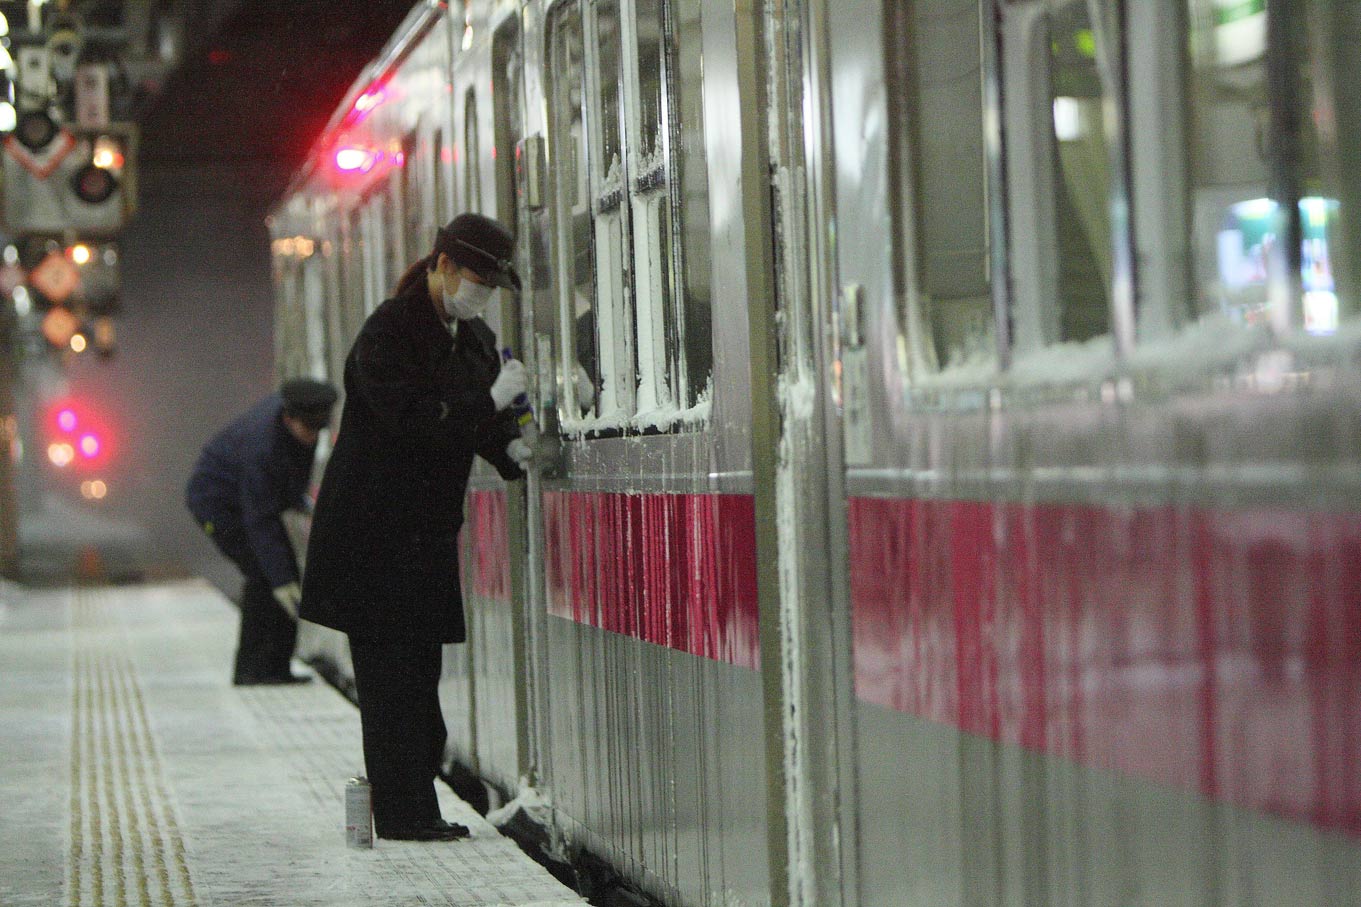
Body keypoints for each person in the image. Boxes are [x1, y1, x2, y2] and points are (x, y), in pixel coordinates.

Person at [299, 213, 531, 842]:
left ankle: (417, 808)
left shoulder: (473, 337)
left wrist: (512, 451)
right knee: (391, 686)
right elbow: (413, 420)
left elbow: (477, 426)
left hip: (422, 538)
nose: (480, 295)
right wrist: (489, 401)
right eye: (477, 280)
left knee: (419, 681)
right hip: (372, 537)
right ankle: (404, 816)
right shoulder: (389, 331)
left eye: (490, 286)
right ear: (443, 265)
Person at [185, 377, 338, 685]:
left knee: (283, 575)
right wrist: (280, 579)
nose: (313, 436)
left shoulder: (298, 424)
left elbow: (292, 474)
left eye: (319, 429)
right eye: (308, 428)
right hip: (217, 504)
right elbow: (260, 520)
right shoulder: (262, 447)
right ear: (289, 418)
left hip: (249, 502)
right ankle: (251, 670)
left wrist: (299, 501)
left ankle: (276, 667)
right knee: (263, 576)